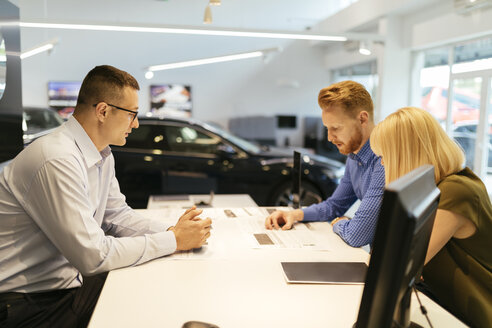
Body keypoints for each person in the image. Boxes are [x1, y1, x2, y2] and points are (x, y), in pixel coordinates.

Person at [0, 65, 212, 327]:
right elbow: (93, 256)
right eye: (132, 114)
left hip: (63, 285)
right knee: (145, 309)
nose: (135, 124)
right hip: (28, 304)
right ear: (102, 111)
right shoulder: (57, 158)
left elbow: (116, 216)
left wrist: (173, 231)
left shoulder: (101, 154)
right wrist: (173, 240)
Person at [370, 107, 492, 328]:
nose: (382, 164)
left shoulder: (456, 190)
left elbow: (396, 264)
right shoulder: (438, 187)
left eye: (384, 156)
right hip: (451, 307)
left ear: (403, 154)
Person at [265, 80, 385, 247]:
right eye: (327, 128)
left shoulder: (384, 159)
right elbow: (335, 205)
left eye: (336, 128)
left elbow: (357, 235)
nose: (329, 137)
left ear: (362, 119)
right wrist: (296, 214)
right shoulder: (354, 156)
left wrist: (338, 222)